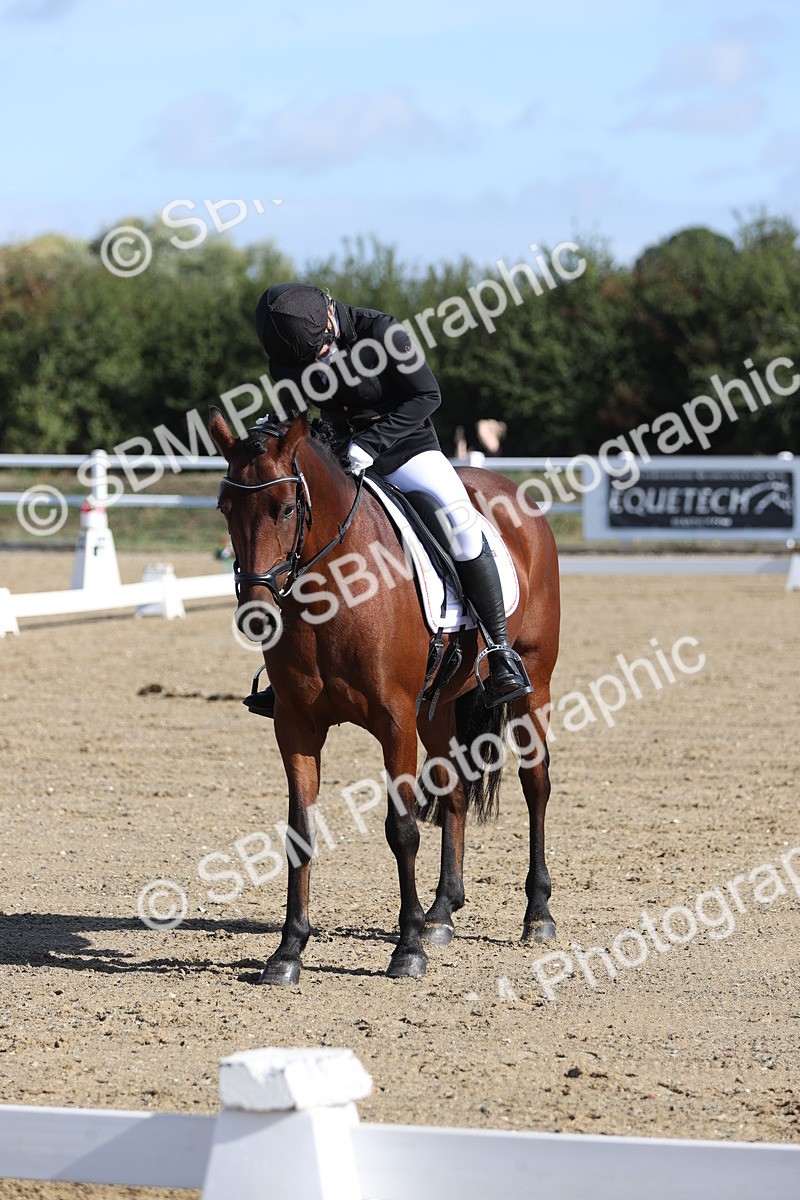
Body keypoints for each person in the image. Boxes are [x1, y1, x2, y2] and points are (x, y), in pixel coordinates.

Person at [246, 281, 532, 717]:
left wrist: (372, 443)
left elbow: (426, 396)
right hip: (334, 455)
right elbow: (295, 410)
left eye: (321, 351)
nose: (317, 363)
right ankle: (290, 669)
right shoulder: (291, 349)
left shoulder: (382, 334)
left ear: (328, 317)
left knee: (459, 525)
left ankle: (498, 650)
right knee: (296, 535)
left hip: (405, 448)